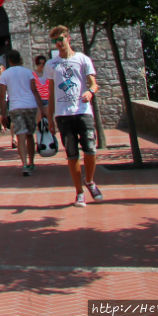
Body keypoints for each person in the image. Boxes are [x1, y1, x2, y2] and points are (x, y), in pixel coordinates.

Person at [45, 25, 103, 207]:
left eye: (61, 39)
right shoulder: (51, 64)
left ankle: (90, 180)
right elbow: (51, 91)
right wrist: (51, 117)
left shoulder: (82, 59)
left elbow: (94, 84)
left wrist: (90, 92)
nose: (59, 44)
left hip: (83, 110)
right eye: (55, 41)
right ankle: (79, 192)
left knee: (90, 149)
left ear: (68, 38)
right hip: (63, 114)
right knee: (71, 154)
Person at [0, 50, 43, 175]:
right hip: (30, 105)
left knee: (20, 136)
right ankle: (32, 162)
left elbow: (2, 96)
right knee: (30, 135)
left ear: (9, 61)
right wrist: (41, 108)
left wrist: (3, 113)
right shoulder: (28, 72)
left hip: (16, 107)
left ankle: (24, 165)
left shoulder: (5, 74)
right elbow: (34, 90)